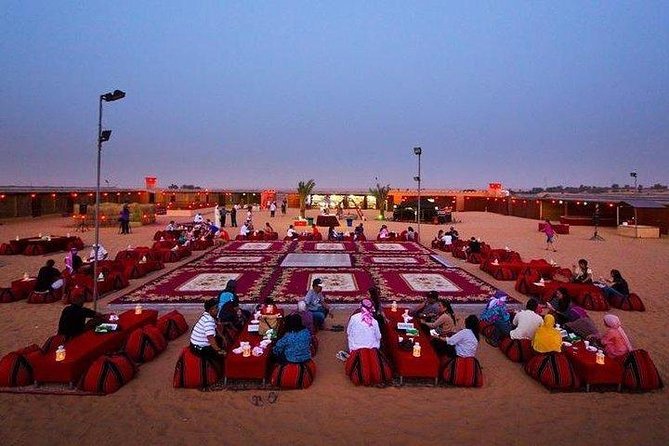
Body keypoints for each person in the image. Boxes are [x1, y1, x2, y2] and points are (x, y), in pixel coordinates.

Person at [190, 298, 226, 374]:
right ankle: (220, 373)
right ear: (211, 310)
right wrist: (218, 350)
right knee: (223, 356)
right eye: (216, 307)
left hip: (195, 344)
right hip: (199, 348)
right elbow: (210, 338)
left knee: (220, 340)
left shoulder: (206, 315)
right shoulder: (208, 320)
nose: (218, 309)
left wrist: (222, 337)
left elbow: (216, 328)